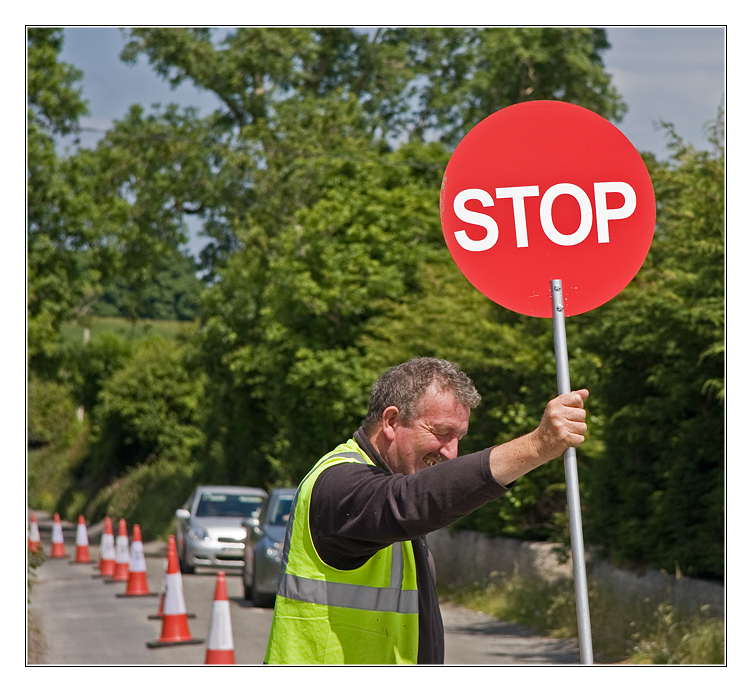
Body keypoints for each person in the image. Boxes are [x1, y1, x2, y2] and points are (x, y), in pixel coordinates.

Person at [264, 357, 588, 665]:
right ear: (391, 421)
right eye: (441, 433)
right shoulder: (339, 483)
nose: (451, 452)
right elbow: (413, 502)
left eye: (459, 437)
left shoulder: (389, 479)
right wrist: (536, 446)